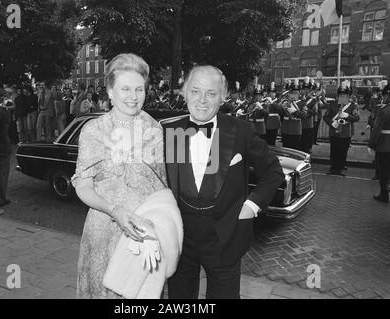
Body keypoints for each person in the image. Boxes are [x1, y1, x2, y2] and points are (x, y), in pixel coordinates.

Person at [163, 65, 284, 299]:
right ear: (184, 93)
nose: (202, 100)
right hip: (180, 236)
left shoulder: (240, 132)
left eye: (211, 93)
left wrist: (251, 207)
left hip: (225, 236)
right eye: (195, 91)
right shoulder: (170, 132)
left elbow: (273, 171)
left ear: (223, 97)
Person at [72, 53, 181, 299]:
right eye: (125, 89)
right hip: (104, 230)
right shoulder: (94, 130)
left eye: (139, 89)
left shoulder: (154, 129)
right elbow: (83, 185)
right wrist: (114, 210)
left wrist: (159, 226)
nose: (133, 97)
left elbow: (160, 186)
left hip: (144, 234)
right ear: (110, 91)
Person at [323, 82, 360, 176]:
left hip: (345, 133)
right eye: (341, 94)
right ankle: (333, 168)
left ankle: (339, 168)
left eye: (345, 94)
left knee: (343, 151)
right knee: (334, 151)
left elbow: (357, 118)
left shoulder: (352, 105)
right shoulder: (333, 104)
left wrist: (348, 115)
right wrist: (332, 123)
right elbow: (326, 116)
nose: (343, 96)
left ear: (348, 95)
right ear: (338, 95)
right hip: (334, 132)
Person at [368, 84, 390, 203]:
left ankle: (384, 195)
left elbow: (376, 129)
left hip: (384, 145)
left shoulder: (384, 111)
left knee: (384, 171)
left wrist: (371, 144)